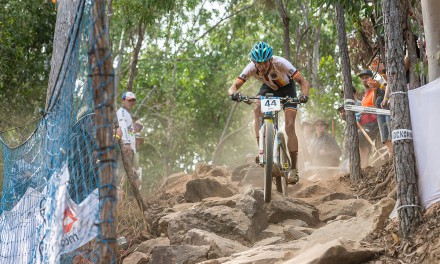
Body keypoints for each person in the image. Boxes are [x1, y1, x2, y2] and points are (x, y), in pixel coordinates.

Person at [228, 42, 310, 184]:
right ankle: (262, 150)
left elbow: (303, 82)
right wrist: (234, 94)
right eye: (258, 64)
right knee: (256, 109)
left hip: (287, 89)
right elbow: (234, 86)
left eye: (264, 63)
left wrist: (304, 96)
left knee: (289, 126)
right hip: (269, 89)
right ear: (254, 62)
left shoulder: (281, 63)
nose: (261, 66)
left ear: (270, 60)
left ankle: (293, 169)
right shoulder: (251, 68)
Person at [115, 91, 141, 196]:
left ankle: (127, 201)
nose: (131, 103)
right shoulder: (121, 112)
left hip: (130, 151)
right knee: (122, 180)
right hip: (125, 149)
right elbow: (122, 127)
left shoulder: (127, 114)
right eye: (129, 100)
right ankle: (119, 202)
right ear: (123, 101)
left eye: (133, 101)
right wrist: (126, 143)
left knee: (136, 181)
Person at [356, 69, 382, 168]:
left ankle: (365, 165)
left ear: (372, 78)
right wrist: (359, 116)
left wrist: (363, 111)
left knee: (360, 137)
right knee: (357, 139)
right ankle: (364, 165)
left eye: (366, 77)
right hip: (365, 124)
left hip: (375, 123)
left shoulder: (375, 90)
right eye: (362, 78)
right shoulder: (365, 96)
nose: (364, 80)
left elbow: (377, 106)